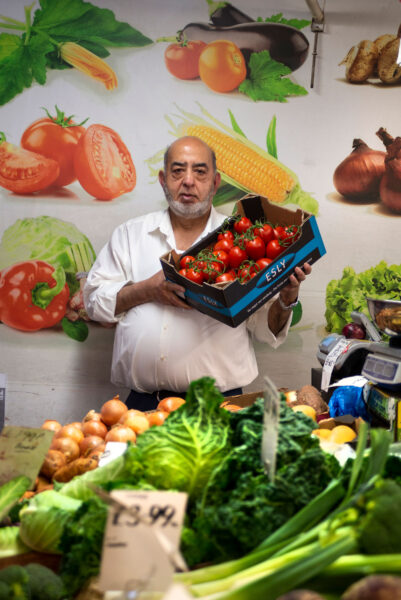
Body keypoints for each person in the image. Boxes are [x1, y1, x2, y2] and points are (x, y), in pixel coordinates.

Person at [83, 136, 312, 410]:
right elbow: (94, 304)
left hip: (221, 406)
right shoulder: (130, 235)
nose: (188, 181)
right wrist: (147, 290)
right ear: (163, 180)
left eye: (200, 172)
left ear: (215, 183)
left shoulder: (242, 239)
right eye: (178, 171)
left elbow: (267, 331)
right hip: (143, 406)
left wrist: (286, 298)